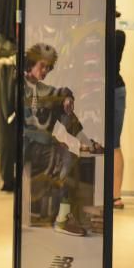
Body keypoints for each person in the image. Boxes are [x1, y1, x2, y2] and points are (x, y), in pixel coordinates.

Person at [24, 43, 103, 236]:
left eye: (49, 68)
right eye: (42, 66)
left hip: (46, 150)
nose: (45, 71)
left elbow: (68, 115)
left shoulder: (49, 92)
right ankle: (60, 218)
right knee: (67, 159)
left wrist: (67, 97)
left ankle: (63, 218)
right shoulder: (16, 86)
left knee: (72, 157)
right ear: (32, 62)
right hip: (28, 148)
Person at [113, 11, 127, 209]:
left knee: (114, 143)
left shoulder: (118, 35)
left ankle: (116, 195)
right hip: (93, 91)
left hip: (114, 90)